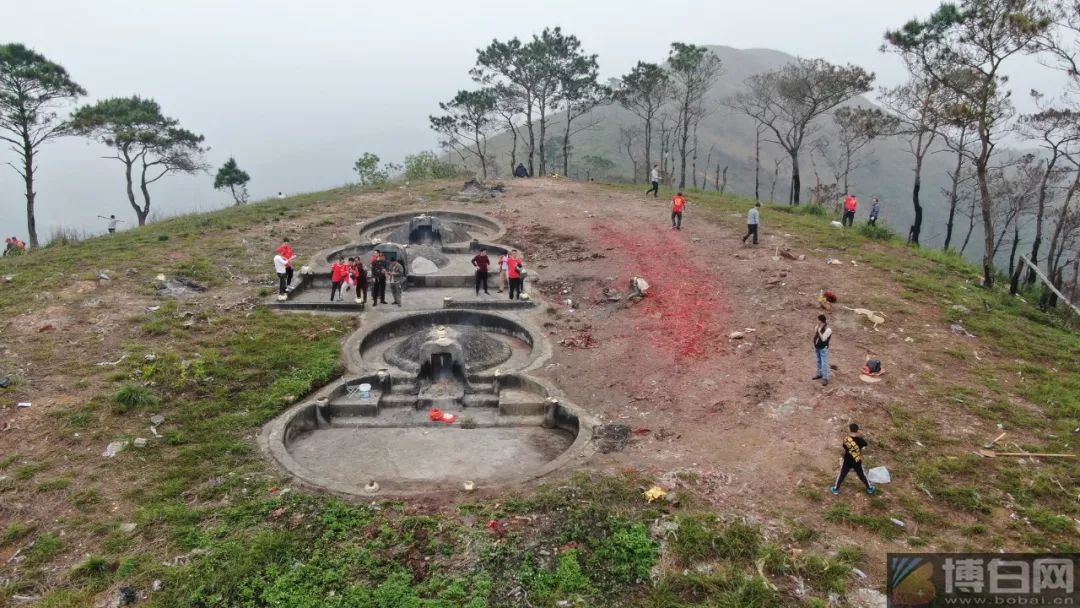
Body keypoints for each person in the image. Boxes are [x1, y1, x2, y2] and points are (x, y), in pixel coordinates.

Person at [831, 423, 876, 495]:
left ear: (849, 429)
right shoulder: (860, 440)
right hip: (857, 460)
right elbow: (865, 444)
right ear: (857, 430)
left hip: (847, 460)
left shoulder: (846, 439)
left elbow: (844, 447)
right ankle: (869, 488)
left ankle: (836, 489)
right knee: (862, 475)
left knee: (842, 474)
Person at [813, 314, 832, 386]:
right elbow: (815, 332)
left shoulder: (828, 329)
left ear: (821, 321)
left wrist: (819, 331)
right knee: (818, 361)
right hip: (817, 347)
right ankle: (819, 374)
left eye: (817, 320)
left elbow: (823, 339)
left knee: (824, 363)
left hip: (823, 348)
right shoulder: (819, 326)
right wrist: (817, 328)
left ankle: (825, 378)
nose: (816, 321)